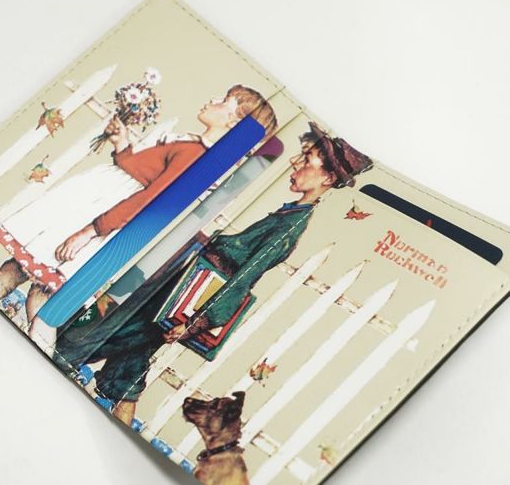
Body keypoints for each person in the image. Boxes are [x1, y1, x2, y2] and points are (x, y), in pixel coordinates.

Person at [53, 122, 373, 426]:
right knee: (126, 374)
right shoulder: (289, 214)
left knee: (93, 337)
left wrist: (196, 322)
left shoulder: (289, 227)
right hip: (174, 290)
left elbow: (243, 277)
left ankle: (57, 357)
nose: (295, 163)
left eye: (308, 160)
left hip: (181, 303)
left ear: (327, 178)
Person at [0, 84, 277, 350]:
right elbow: (141, 171)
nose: (212, 99)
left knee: (37, 282)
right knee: (31, 275)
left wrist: (89, 231)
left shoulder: (196, 156)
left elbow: (148, 199)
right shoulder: (191, 144)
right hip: (95, 207)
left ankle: (38, 343)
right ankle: (34, 337)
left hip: (99, 214)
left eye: (223, 101)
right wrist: (122, 145)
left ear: (234, 123)